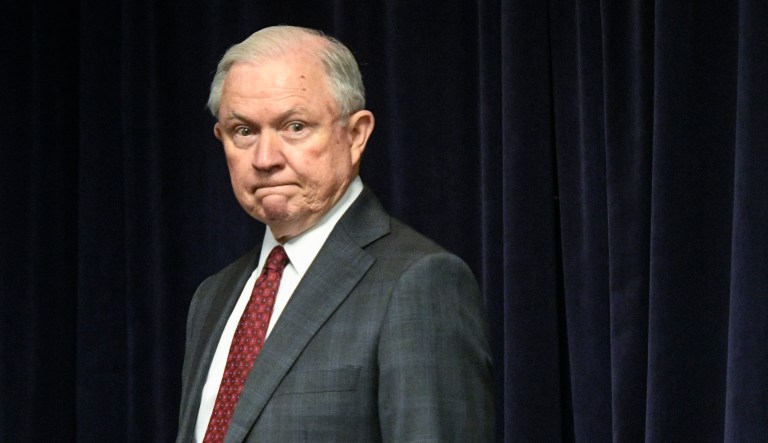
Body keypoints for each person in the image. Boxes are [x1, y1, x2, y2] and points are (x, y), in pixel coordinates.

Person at [176, 25, 494, 442]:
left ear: (356, 134)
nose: (265, 158)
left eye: (294, 126)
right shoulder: (213, 296)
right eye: (245, 131)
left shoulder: (418, 281)